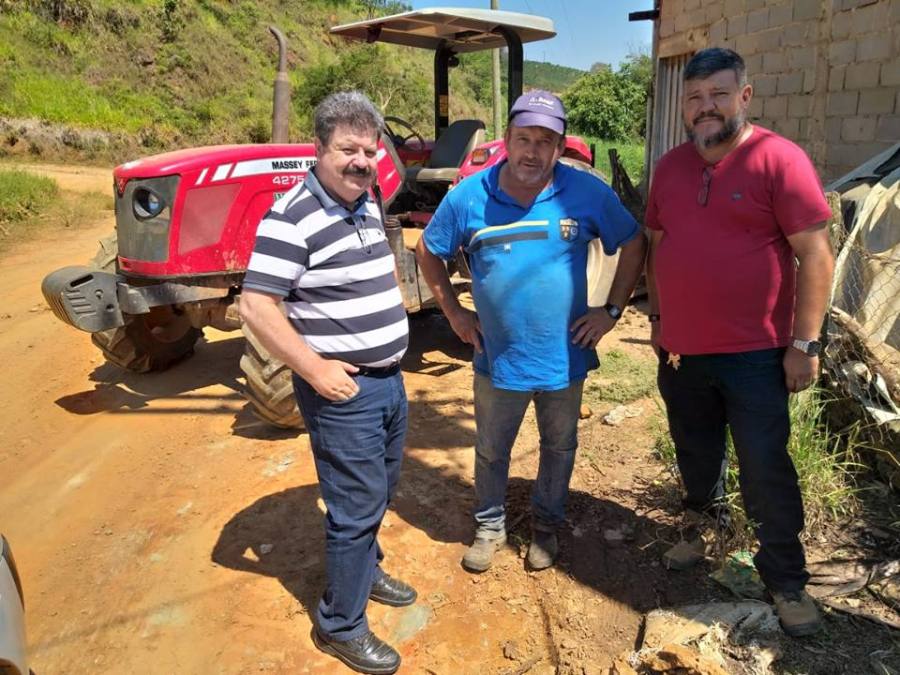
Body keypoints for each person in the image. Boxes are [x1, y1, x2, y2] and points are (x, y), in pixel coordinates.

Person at [645, 48, 835, 637]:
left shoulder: (779, 159)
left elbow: (816, 255)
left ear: (744, 97)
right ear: (684, 106)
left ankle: (786, 579)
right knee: (695, 449)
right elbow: (656, 246)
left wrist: (805, 344)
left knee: (764, 465)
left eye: (719, 95)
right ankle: (702, 529)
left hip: (757, 354)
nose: (706, 107)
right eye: (695, 98)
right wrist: (657, 319)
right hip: (683, 351)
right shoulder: (670, 168)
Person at [416, 90, 647, 574]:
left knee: (559, 447)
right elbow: (428, 250)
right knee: (491, 450)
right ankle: (489, 527)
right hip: (497, 357)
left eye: (545, 141)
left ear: (560, 147)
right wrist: (454, 313)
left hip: (565, 355)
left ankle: (546, 525)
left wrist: (611, 311)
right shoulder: (468, 197)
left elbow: (633, 241)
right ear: (507, 139)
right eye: (524, 139)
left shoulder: (584, 193)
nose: (533, 151)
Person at [240, 91, 412, 675]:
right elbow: (256, 305)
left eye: (370, 149)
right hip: (345, 394)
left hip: (388, 382)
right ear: (319, 148)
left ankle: (366, 571)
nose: (361, 161)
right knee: (355, 507)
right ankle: (340, 625)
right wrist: (314, 369)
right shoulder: (292, 216)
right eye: (347, 149)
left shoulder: (367, 198)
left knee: (380, 491)